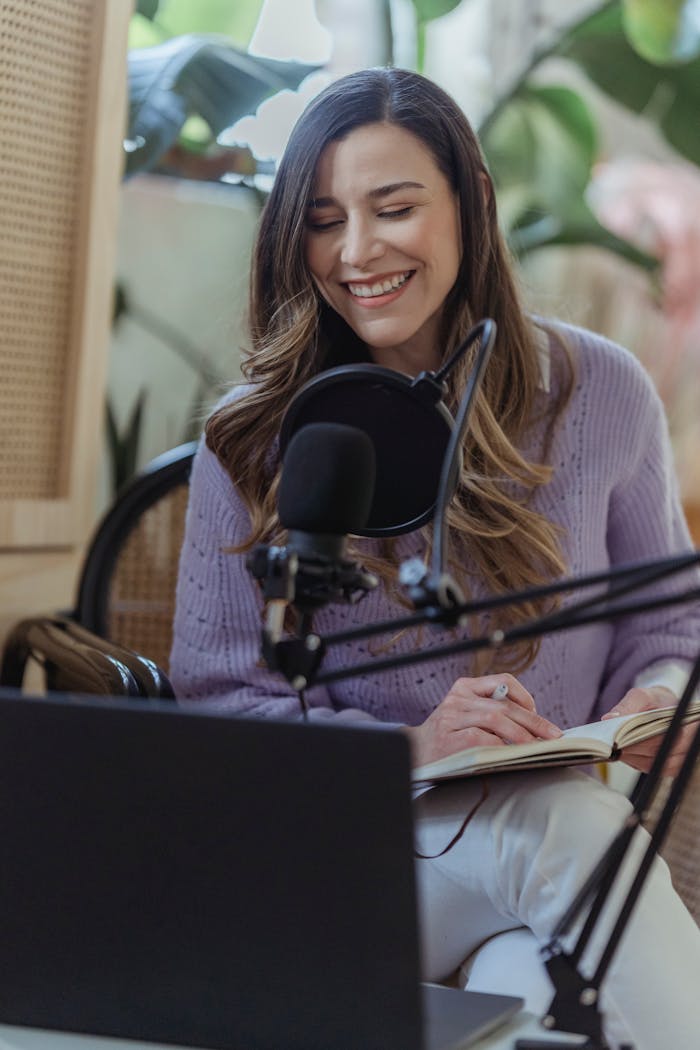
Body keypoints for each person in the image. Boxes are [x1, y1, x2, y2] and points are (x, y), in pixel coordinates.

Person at [170, 68, 700, 1048]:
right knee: (563, 826)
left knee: (534, 1002)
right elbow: (215, 701)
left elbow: (670, 620)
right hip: (346, 867)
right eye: (324, 218)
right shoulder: (249, 439)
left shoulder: (602, 391)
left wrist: (652, 700)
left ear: (472, 201)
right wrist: (417, 748)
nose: (357, 251)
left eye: (394, 207)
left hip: (528, 874)